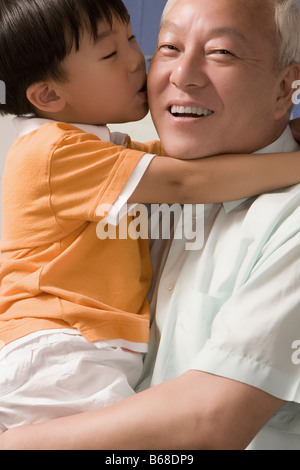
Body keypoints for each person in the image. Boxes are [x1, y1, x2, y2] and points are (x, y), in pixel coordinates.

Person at [0, 0, 300, 447]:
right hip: (54, 354)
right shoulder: (76, 158)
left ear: (284, 89)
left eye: (221, 52)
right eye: (168, 47)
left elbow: (208, 424)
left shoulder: (281, 216)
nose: (181, 74)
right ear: (47, 95)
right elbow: (183, 182)